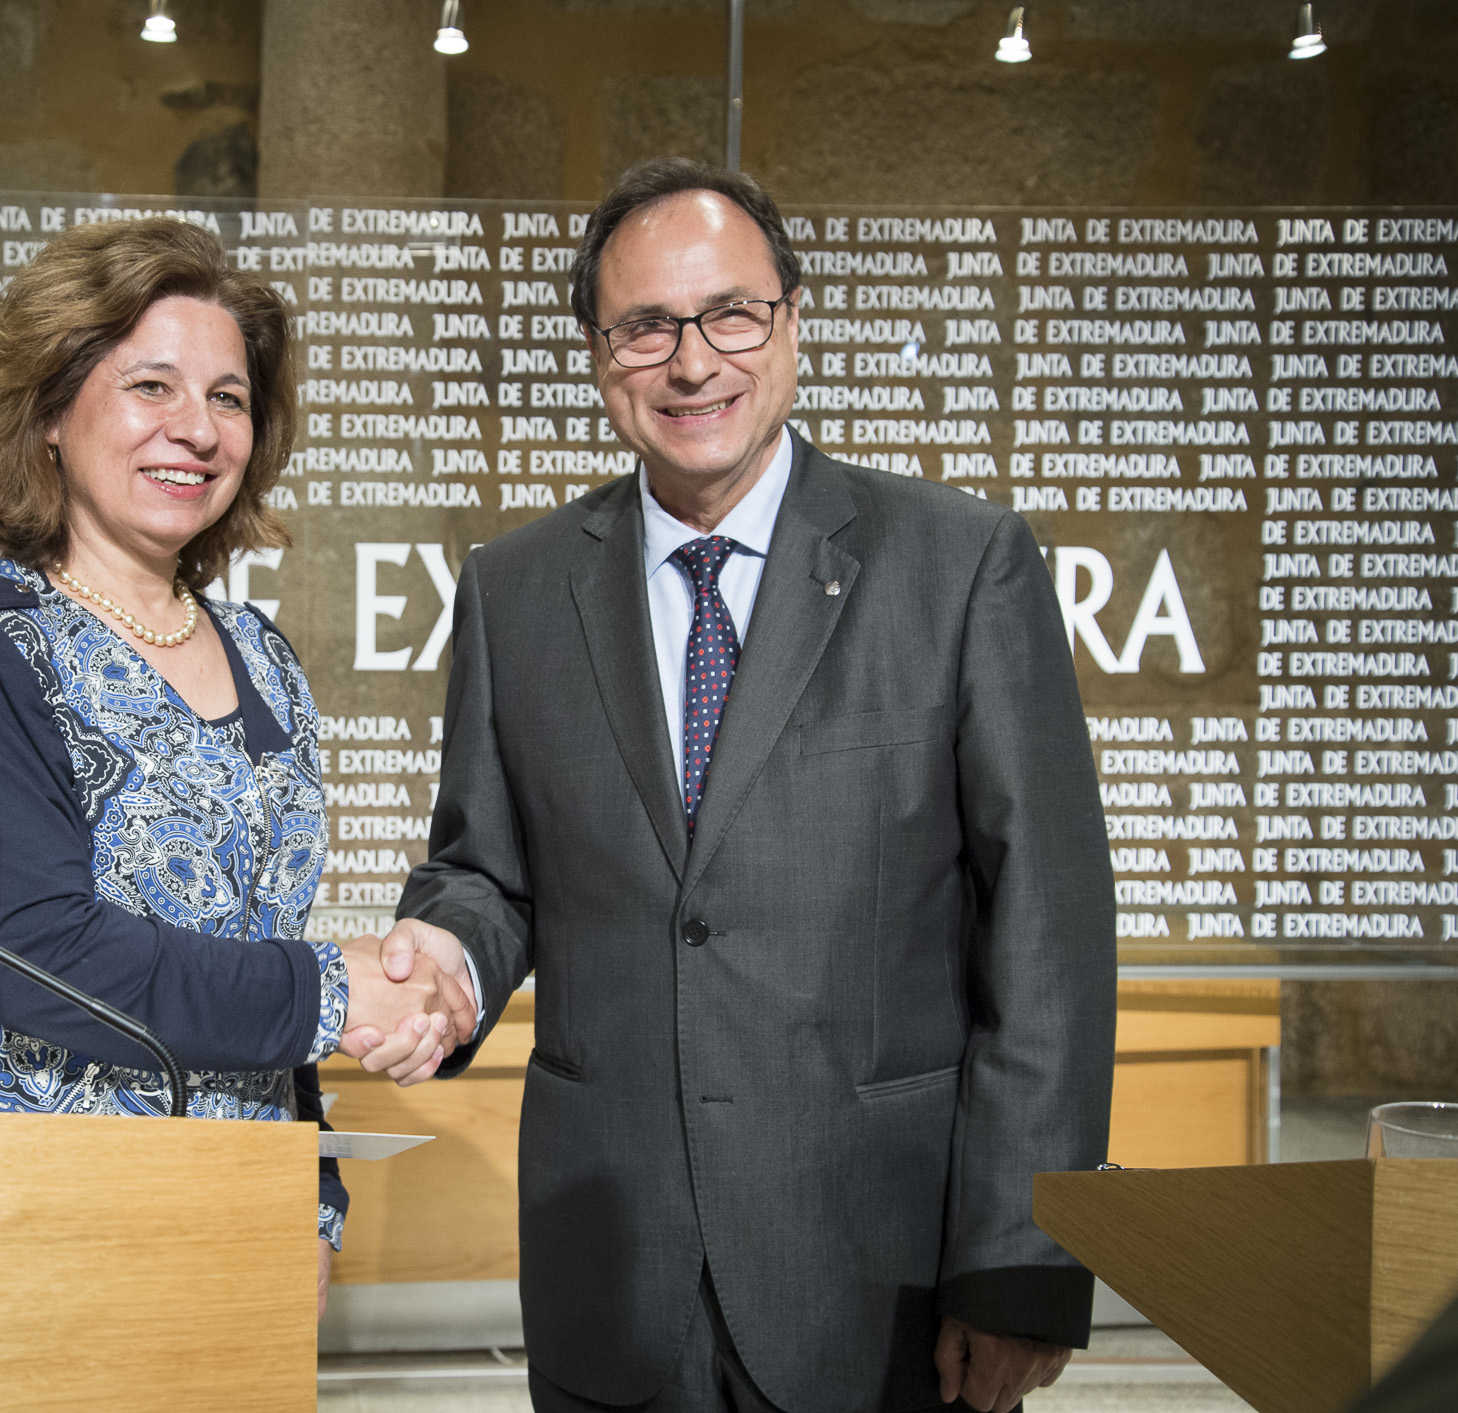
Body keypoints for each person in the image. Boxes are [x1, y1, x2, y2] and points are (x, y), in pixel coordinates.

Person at [370, 157, 1117, 1411]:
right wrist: (444, 959)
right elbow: (486, 870)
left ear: (791, 322)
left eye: (729, 312)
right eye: (644, 326)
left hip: (883, 1278)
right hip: (613, 1274)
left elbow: (1048, 928)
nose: (691, 361)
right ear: (599, 355)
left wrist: (1022, 1262)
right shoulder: (515, 589)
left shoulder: (960, 564)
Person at [0, 217, 476, 1316]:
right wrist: (335, 989)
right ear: (53, 411)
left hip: (238, 1223)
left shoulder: (266, 661)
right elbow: (38, 957)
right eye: (151, 386)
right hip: (22, 1223)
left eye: (228, 398)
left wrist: (316, 1193)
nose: (195, 430)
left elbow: (260, 947)